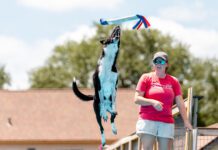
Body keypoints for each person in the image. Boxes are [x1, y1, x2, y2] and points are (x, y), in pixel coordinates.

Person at [134, 51, 193, 150]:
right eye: (156, 61)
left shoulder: (174, 81)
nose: (158, 64)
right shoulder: (146, 77)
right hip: (148, 120)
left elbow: (180, 102)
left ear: (166, 64)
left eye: (161, 61)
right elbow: (136, 99)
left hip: (166, 122)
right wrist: (152, 102)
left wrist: (186, 122)